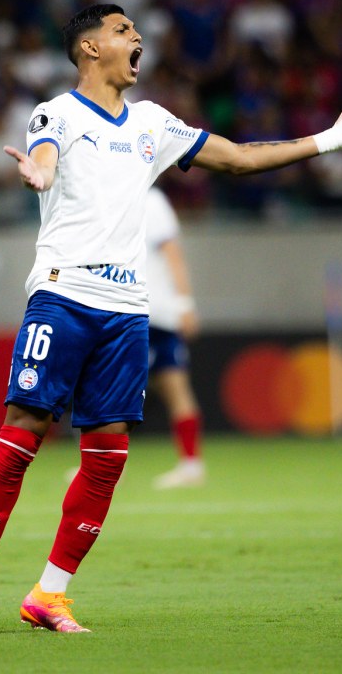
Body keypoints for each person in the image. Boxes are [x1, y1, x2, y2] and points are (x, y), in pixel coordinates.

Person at [0, 4, 342, 635]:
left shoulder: (153, 123)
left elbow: (236, 158)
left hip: (127, 312)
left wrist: (329, 140)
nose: (137, 37)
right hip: (63, 295)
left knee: (108, 455)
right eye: (123, 31)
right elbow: (43, 156)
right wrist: (37, 172)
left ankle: (50, 593)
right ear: (91, 49)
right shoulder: (57, 113)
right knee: (23, 436)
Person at [146, 185, 206, 489]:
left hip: (149, 310)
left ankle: (191, 464)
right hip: (139, 309)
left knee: (114, 386)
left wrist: (185, 304)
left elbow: (173, 253)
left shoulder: (151, 200)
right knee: (172, 385)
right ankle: (191, 463)